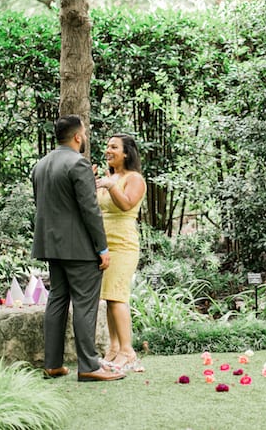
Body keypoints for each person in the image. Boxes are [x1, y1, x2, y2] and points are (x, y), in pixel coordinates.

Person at [32, 115, 124, 382]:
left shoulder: (40, 165)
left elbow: (51, 204)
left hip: (51, 245)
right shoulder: (78, 164)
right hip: (79, 248)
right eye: (84, 133)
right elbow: (89, 210)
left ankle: (52, 364)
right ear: (77, 136)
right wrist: (102, 247)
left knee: (57, 300)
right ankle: (88, 366)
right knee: (85, 303)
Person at [94, 133, 147, 373]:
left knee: (117, 297)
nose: (108, 150)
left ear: (126, 153)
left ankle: (128, 350)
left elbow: (125, 204)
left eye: (114, 147)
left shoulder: (134, 178)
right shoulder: (110, 177)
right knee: (109, 298)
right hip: (104, 245)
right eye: (107, 146)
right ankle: (113, 348)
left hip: (123, 244)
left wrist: (111, 185)